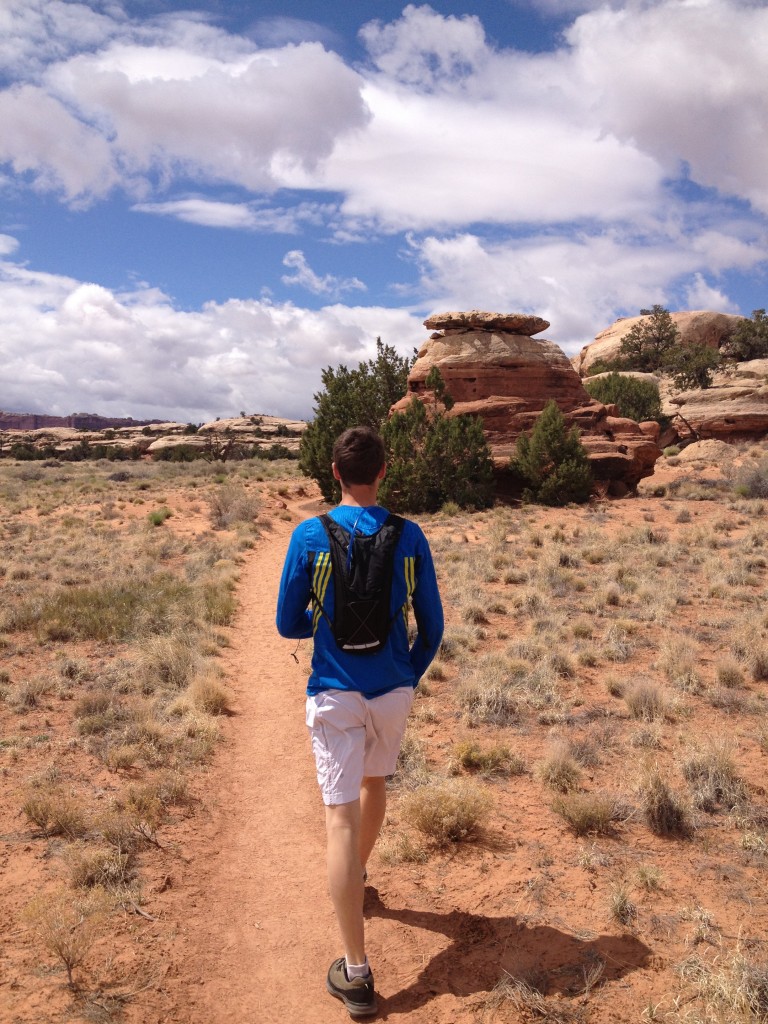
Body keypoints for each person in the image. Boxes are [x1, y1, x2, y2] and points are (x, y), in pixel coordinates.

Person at [276, 425, 444, 1018]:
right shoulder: (410, 536)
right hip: (391, 690)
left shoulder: (309, 535)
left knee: (339, 822)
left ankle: (356, 974)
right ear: (383, 471)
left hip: (335, 693)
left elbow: (286, 621)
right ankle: (359, 880)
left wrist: (325, 626)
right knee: (376, 786)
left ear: (334, 471)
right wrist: (406, 673)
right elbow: (433, 625)